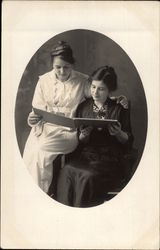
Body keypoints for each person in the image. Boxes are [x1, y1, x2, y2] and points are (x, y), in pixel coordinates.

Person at [23, 41, 128, 194]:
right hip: (44, 129)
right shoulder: (43, 81)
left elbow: (99, 93)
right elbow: (36, 111)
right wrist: (31, 118)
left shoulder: (82, 80)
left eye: (66, 67)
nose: (61, 71)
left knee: (39, 150)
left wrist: (117, 98)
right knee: (31, 153)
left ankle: (40, 193)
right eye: (57, 67)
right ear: (52, 65)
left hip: (68, 132)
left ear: (72, 64)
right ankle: (37, 193)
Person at [56, 66, 133, 207]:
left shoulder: (119, 107)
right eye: (93, 87)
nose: (95, 92)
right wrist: (84, 136)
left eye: (101, 89)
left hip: (110, 160)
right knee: (66, 171)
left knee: (87, 176)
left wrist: (119, 133)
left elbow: (128, 141)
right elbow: (81, 141)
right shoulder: (83, 107)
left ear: (110, 90)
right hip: (87, 156)